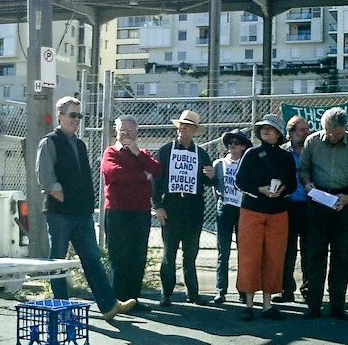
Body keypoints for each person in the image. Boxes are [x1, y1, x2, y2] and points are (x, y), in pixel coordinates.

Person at [37, 96, 136, 321]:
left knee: (92, 258)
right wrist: (65, 199)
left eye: (79, 115)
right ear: (60, 116)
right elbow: (46, 179)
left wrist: (83, 204)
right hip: (59, 214)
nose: (77, 119)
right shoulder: (49, 142)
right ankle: (61, 309)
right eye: (72, 115)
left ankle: (109, 305)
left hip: (82, 214)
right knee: (58, 262)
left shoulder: (80, 144)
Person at [299, 107, 348, 320]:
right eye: (328, 132)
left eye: (337, 134)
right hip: (318, 202)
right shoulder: (312, 142)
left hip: (344, 203)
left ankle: (338, 305)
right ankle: (313, 304)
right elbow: (303, 169)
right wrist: (307, 184)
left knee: (341, 256)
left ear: (345, 129)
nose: (331, 137)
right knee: (315, 254)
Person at [235, 115, 296, 320]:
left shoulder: (286, 157)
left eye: (270, 128)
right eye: (262, 127)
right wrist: (259, 190)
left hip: (278, 213)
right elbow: (239, 181)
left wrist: (283, 190)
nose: (266, 130)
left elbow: (293, 184)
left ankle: (267, 305)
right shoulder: (251, 154)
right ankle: (248, 304)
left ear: (279, 134)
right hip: (251, 211)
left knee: (274, 258)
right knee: (250, 257)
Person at [153, 110, 215, 306]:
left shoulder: (201, 154)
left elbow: (208, 182)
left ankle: (193, 293)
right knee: (168, 254)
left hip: (193, 210)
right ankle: (166, 294)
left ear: (195, 130)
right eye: (181, 125)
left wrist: (212, 175)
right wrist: (157, 206)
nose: (183, 128)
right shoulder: (165, 151)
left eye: (188, 126)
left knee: (190, 254)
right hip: (170, 208)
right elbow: (155, 180)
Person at [101, 115, 162, 312]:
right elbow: (115, 174)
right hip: (118, 212)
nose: (126, 134)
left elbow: (157, 169)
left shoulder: (142, 153)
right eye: (122, 130)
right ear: (116, 132)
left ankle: (133, 299)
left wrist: (137, 154)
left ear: (136, 133)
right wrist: (143, 177)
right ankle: (118, 300)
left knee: (137, 256)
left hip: (140, 212)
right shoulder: (110, 152)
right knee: (119, 256)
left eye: (130, 130)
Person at [211, 128, 253, 304]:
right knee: (223, 250)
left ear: (243, 146)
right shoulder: (219, 164)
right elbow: (215, 186)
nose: (233, 146)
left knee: (243, 252)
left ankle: (243, 290)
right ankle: (220, 290)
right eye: (230, 143)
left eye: (237, 143)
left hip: (243, 210)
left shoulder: (247, 164)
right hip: (225, 208)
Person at [274, 115, 312, 303]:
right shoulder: (282, 153)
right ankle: (286, 290)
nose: (306, 133)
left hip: (309, 205)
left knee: (309, 251)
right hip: (287, 206)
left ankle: (309, 290)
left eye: (307, 129)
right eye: (302, 130)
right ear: (291, 133)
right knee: (287, 250)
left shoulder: (312, 151)